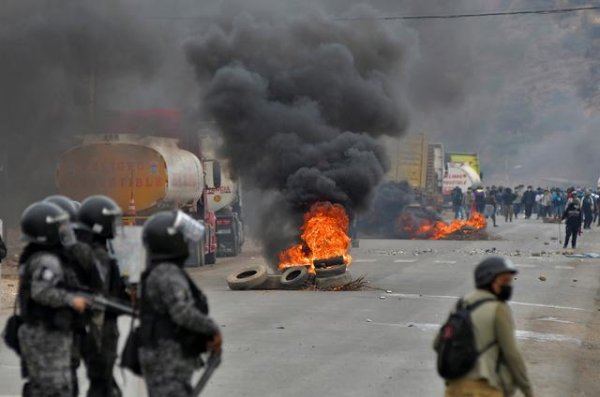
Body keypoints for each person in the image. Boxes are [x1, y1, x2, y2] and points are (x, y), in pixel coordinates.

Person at [139, 211, 222, 397]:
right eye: (182, 238)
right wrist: (211, 329)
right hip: (167, 357)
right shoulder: (167, 273)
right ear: (171, 241)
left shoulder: (162, 270)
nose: (186, 243)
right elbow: (181, 312)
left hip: (167, 354)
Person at [17, 202, 89, 397]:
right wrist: (71, 300)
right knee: (53, 387)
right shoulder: (47, 260)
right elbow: (41, 291)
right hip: (45, 332)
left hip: (46, 329)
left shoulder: (37, 256)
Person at [435, 257, 533, 397]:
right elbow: (512, 354)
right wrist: (527, 390)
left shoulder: (462, 304)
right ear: (488, 280)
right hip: (485, 389)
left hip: (455, 388)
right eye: (504, 281)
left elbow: (438, 343)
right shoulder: (498, 308)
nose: (508, 286)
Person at [76, 195, 128, 397]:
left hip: (97, 328)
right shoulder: (97, 255)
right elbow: (100, 296)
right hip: (99, 329)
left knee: (103, 383)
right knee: (102, 384)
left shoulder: (90, 251)